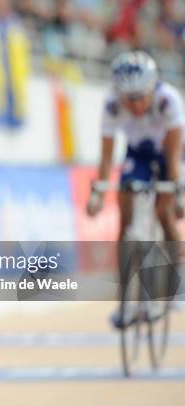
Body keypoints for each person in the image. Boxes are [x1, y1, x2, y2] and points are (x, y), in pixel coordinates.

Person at [87, 50, 184, 327]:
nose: (137, 106)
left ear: (153, 87)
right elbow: (106, 158)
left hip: (169, 153)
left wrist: (177, 193)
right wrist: (98, 194)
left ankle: (176, 279)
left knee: (165, 211)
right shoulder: (111, 105)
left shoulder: (169, 100)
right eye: (129, 99)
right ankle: (124, 296)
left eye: (142, 97)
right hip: (138, 153)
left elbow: (175, 157)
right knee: (124, 212)